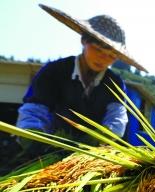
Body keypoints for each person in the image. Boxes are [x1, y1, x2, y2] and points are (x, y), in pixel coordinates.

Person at [16, 4, 148, 155]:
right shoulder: (53, 71)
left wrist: (100, 138)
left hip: (92, 154)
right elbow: (34, 109)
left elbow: (117, 116)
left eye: (111, 55)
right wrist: (35, 136)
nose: (103, 58)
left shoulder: (115, 83)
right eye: (98, 49)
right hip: (49, 148)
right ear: (84, 41)